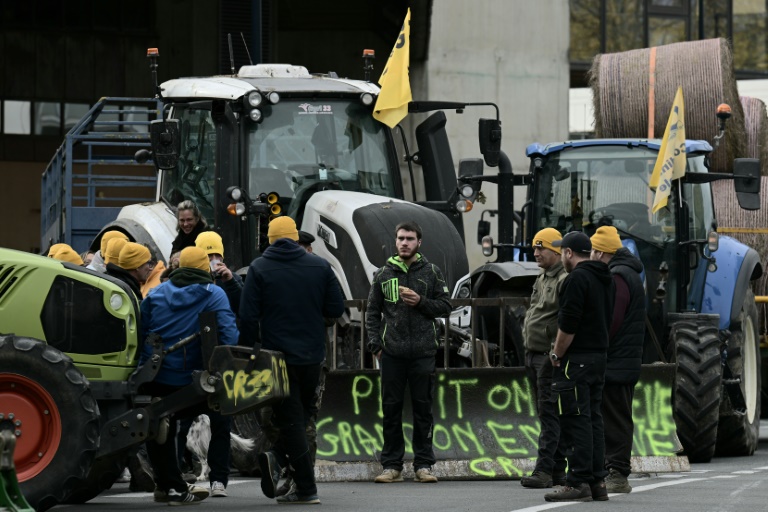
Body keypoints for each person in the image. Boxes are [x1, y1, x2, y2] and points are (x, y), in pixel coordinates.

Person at [240, 216, 344, 505]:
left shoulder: (259, 268)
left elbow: (248, 317)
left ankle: (305, 487)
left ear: (270, 239)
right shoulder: (320, 266)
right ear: (296, 238)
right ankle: (282, 463)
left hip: (278, 359)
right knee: (301, 417)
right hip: (312, 357)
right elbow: (335, 307)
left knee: (291, 421)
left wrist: (248, 352)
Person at [139, 246, 239, 505]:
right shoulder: (214, 294)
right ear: (205, 268)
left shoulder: (156, 292)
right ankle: (178, 488)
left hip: (156, 374)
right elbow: (229, 336)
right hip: (192, 379)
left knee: (156, 426)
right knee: (200, 420)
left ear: (179, 267)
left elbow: (141, 330)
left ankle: (163, 485)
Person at [366, 221, 452, 485]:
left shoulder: (432, 272)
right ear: (395, 241)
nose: (405, 243)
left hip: (424, 353)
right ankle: (391, 466)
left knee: (423, 410)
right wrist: (376, 346)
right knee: (391, 409)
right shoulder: (382, 274)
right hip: (391, 354)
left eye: (410, 239)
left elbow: (446, 306)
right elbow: (372, 312)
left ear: (419, 243)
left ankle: (423, 465)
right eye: (401, 238)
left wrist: (421, 302)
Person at [544, 231, 613, 503]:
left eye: (563, 252)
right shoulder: (606, 278)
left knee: (575, 420)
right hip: (599, 357)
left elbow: (568, 324)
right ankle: (597, 481)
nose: (562, 257)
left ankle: (578, 480)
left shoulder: (576, 279)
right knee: (594, 418)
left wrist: (556, 353)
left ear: (569, 253)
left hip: (577, 360)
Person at [590, 225, 645, 493]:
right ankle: (611, 469)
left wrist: (596, 342)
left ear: (601, 253)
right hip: (620, 360)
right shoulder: (625, 273)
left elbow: (612, 318)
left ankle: (619, 474)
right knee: (613, 416)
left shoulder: (619, 277)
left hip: (616, 362)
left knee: (616, 419)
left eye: (592, 250)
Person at [520, 228, 568, 489]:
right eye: (534, 248)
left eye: (542, 248)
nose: (536, 253)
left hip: (548, 359)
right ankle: (557, 470)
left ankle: (544, 470)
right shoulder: (542, 277)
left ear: (557, 250)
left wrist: (554, 351)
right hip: (534, 354)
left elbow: (564, 319)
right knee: (545, 413)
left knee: (549, 414)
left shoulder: (563, 279)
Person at [195, 231, 243, 315]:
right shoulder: (192, 279)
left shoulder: (233, 278)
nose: (214, 259)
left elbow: (243, 310)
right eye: (209, 255)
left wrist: (230, 282)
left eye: (217, 255)